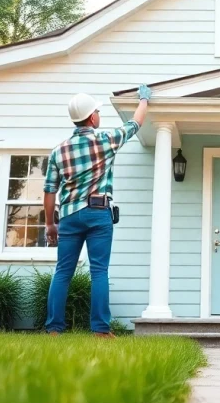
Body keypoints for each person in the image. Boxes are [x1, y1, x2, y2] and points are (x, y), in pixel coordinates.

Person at [43, 85, 151, 337]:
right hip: (97, 212)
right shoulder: (106, 141)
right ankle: (100, 330)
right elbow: (135, 124)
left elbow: (49, 191)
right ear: (92, 118)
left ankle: (54, 329)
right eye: (98, 112)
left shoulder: (58, 151)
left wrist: (50, 224)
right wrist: (144, 100)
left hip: (69, 216)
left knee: (63, 272)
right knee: (99, 271)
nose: (99, 115)